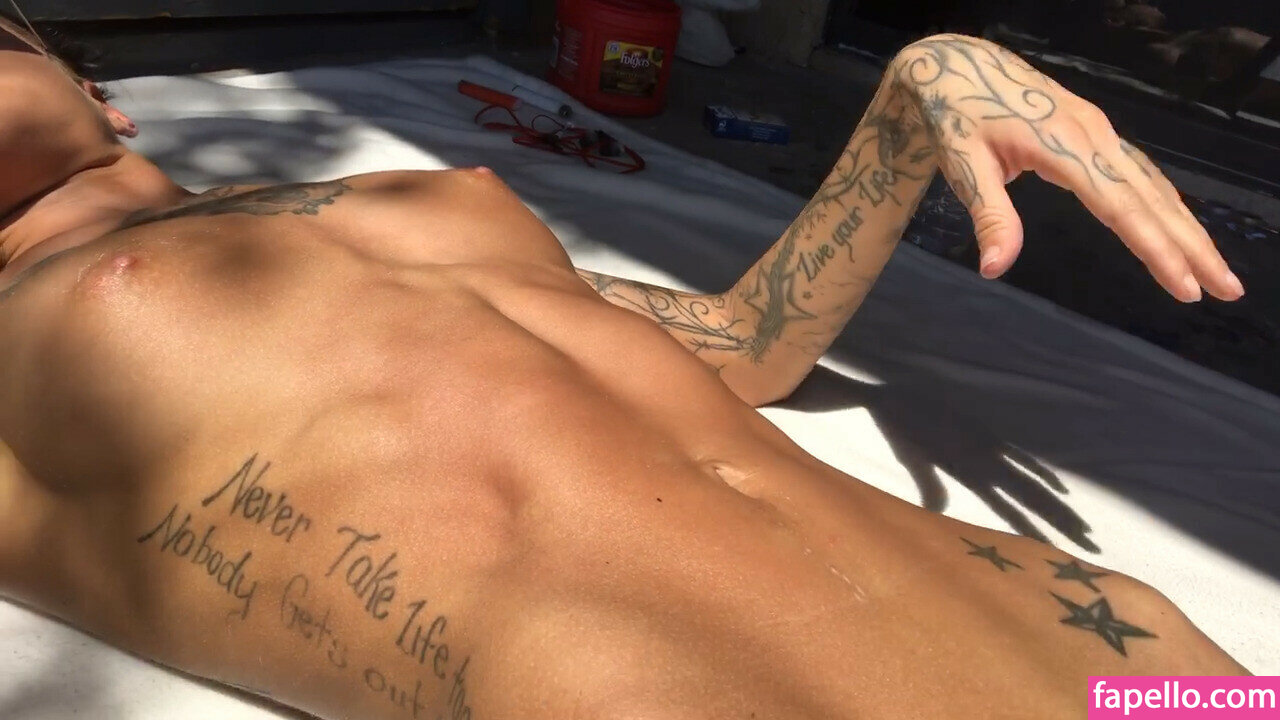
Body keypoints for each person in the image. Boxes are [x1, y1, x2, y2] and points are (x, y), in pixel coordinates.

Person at [0, 14, 1250, 720]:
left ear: (99, 96)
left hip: (1124, 656)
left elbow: (744, 347)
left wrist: (914, 92)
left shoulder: (390, 203)